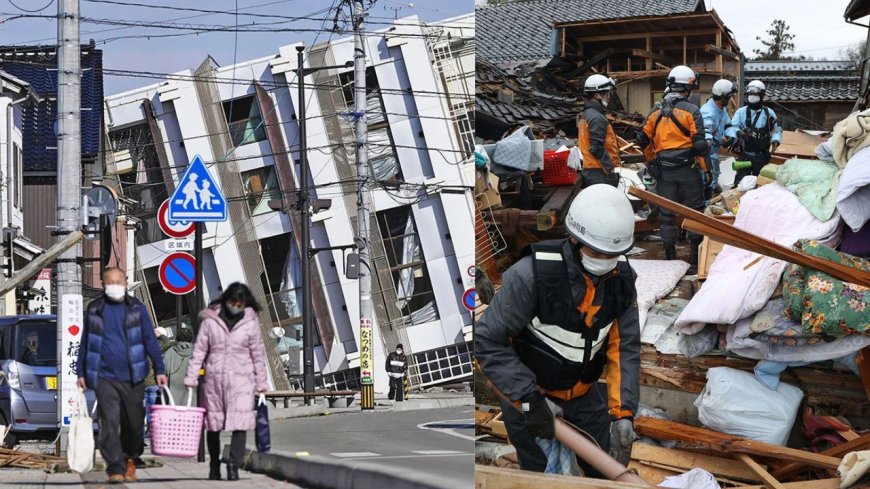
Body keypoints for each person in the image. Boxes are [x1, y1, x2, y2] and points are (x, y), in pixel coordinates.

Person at [475, 185, 641, 476]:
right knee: (544, 477)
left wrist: (623, 412)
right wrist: (529, 400)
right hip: (530, 397)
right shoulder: (530, 277)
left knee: (606, 469)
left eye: (612, 255)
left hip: (584, 397)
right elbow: (488, 341)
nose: (604, 261)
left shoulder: (621, 281)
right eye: (596, 252)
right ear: (574, 239)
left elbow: (624, 347)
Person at [76, 267, 167, 484]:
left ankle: (130, 459)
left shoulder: (137, 308)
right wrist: (80, 371)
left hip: (134, 375)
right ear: (103, 283)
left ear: (125, 283)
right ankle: (115, 467)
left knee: (134, 423)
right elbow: (85, 342)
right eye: (110, 281)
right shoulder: (95, 308)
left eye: (119, 281)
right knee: (109, 422)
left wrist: (160, 369)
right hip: (104, 375)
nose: (115, 285)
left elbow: (149, 339)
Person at [184, 283, 269, 481]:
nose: (235, 306)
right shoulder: (210, 321)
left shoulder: (250, 322)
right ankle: (214, 464)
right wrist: (192, 376)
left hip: (242, 380)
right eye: (232, 302)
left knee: (240, 425)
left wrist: (261, 382)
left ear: (245, 303)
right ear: (226, 300)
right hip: (215, 379)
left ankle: (233, 466)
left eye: (240, 303)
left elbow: (257, 354)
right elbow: (199, 350)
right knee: (213, 425)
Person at [637, 65, 711, 264]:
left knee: (667, 214)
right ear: (688, 87)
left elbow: (643, 140)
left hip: (665, 172)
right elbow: (700, 146)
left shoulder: (656, 111)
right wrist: (707, 170)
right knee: (695, 211)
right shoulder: (692, 110)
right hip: (688, 170)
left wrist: (652, 161)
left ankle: (670, 255)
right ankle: (695, 256)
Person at [726, 80, 782, 186]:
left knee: (761, 183)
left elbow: (776, 130)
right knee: (740, 183)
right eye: (750, 94)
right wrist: (737, 132)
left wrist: (776, 140)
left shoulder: (769, 113)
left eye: (755, 94)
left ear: (762, 95)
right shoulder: (740, 112)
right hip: (744, 155)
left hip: (762, 156)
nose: (752, 96)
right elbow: (730, 128)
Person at [577, 74, 621, 187]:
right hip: (599, 171)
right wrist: (609, 169)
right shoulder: (596, 117)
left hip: (592, 168)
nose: (609, 97)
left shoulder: (586, 114)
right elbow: (596, 148)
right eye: (607, 94)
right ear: (597, 95)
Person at [700, 79, 736, 195]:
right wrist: (709, 141)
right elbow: (706, 131)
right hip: (707, 153)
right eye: (729, 97)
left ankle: (709, 195)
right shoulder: (707, 111)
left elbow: (728, 125)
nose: (730, 99)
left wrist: (732, 136)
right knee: (706, 180)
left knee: (712, 180)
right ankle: (703, 205)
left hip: (714, 150)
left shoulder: (721, 110)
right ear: (723, 97)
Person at [164, 326, 195, 409]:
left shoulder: (169, 353)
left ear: (177, 338)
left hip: (173, 398)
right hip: (193, 395)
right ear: (191, 338)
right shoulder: (197, 352)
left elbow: (164, 373)